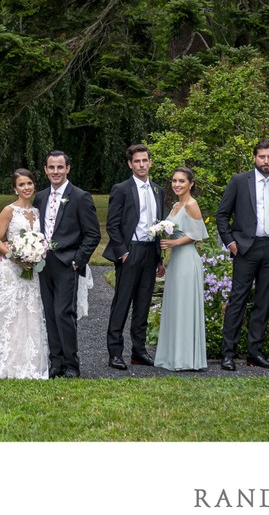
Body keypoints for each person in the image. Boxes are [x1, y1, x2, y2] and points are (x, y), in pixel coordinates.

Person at [215, 139, 269, 370]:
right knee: (238, 299)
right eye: (262, 156)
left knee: (264, 300)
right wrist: (230, 241)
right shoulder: (240, 181)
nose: (266, 161)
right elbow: (222, 215)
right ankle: (227, 353)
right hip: (245, 248)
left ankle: (255, 352)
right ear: (254, 157)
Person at [35, 150, 101, 378]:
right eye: (51, 167)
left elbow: (93, 234)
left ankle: (72, 364)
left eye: (60, 167)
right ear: (45, 170)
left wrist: (77, 261)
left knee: (65, 313)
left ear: (68, 169)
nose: (55, 172)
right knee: (50, 314)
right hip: (43, 264)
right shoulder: (41, 197)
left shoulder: (80, 197)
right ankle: (56, 362)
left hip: (67, 264)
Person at [103, 144, 165, 370]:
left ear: (149, 162)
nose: (141, 165)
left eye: (145, 160)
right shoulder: (121, 189)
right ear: (130, 164)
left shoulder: (158, 190)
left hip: (150, 251)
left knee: (143, 303)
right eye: (137, 161)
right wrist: (123, 252)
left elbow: (160, 223)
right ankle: (115, 352)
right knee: (122, 302)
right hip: (131, 251)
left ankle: (138, 351)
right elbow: (112, 224)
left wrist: (159, 257)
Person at [0, 169, 49, 379]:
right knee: (11, 313)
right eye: (22, 184)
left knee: (31, 312)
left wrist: (35, 254)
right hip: (11, 269)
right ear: (15, 188)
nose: (26, 188)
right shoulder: (9, 210)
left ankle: (32, 364)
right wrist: (14, 256)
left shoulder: (38, 212)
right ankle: (9, 366)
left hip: (31, 270)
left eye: (30, 183)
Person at [154, 167, 209, 371]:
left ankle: (185, 359)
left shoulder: (192, 205)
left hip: (187, 261)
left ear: (191, 184)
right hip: (176, 261)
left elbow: (197, 235)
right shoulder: (177, 205)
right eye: (174, 181)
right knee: (175, 306)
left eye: (182, 181)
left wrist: (172, 244)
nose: (177, 184)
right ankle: (172, 355)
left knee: (185, 306)